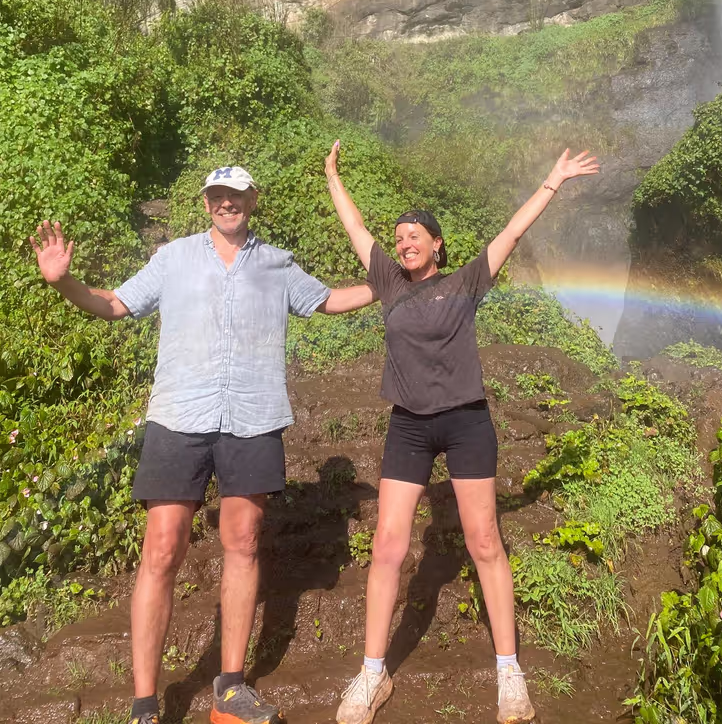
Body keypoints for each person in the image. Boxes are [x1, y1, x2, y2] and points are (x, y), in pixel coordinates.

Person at [30, 165, 375, 724]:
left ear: (252, 201)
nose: (227, 203)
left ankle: (231, 690)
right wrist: (65, 282)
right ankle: (144, 705)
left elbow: (327, 300)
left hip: (253, 416)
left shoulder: (276, 262)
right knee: (162, 548)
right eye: (218, 195)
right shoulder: (173, 258)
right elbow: (116, 304)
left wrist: (388, 284)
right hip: (178, 417)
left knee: (242, 541)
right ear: (207, 201)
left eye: (237, 195)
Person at [324, 143, 599, 724]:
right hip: (408, 426)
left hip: (467, 421)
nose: (403, 242)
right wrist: (331, 177)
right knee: (388, 547)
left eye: (414, 235)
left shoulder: (469, 280)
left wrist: (553, 180)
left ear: (436, 243)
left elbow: (512, 233)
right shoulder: (389, 282)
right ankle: (372, 675)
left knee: (485, 543)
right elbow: (353, 225)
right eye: (398, 236)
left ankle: (509, 674)